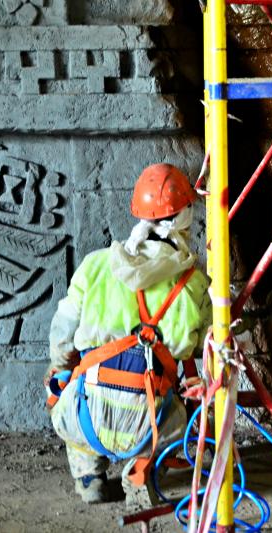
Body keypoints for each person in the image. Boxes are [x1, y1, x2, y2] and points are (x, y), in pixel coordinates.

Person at [45, 163, 211, 506]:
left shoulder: (96, 265)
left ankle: (89, 476)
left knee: (63, 390)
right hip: (148, 422)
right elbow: (202, 347)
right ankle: (141, 474)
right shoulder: (193, 283)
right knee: (183, 417)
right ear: (185, 217)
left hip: (86, 418)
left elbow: (62, 332)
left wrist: (60, 364)